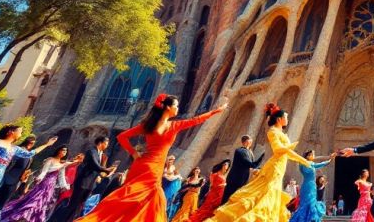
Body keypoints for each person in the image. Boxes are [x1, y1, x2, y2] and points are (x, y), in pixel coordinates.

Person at [75, 94, 227, 222]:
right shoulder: (173, 126)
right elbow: (197, 120)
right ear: (168, 107)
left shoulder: (148, 125)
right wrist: (216, 111)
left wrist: (134, 153)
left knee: (133, 198)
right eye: (176, 105)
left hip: (142, 164)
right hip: (153, 167)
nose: (177, 108)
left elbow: (122, 137)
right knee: (149, 198)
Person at [205, 102, 314, 221]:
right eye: (286, 117)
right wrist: (292, 149)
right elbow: (278, 149)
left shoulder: (282, 133)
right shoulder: (273, 131)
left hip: (281, 167)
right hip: (275, 166)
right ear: (279, 119)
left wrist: (302, 160)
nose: (287, 119)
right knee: (265, 193)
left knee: (272, 195)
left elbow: (287, 154)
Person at [0, 145, 83, 222]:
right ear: (58, 151)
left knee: (44, 203)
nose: (63, 152)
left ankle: (32, 219)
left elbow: (61, 176)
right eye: (62, 150)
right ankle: (23, 216)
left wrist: (65, 186)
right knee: (36, 199)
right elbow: (44, 171)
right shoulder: (50, 159)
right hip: (44, 183)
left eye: (65, 151)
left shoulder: (62, 163)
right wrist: (39, 178)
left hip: (51, 185)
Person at [49, 136, 116, 222]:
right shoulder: (91, 151)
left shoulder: (101, 155)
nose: (107, 145)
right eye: (106, 143)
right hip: (83, 183)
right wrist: (107, 170)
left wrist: (108, 171)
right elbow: (95, 165)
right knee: (72, 205)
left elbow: (99, 170)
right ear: (100, 143)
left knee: (79, 207)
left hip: (90, 185)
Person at [288, 150, 330, 222]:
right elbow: (318, 164)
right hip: (308, 186)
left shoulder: (308, 163)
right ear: (308, 156)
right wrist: (327, 160)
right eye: (312, 155)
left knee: (311, 203)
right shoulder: (306, 163)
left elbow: (319, 163)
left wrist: (328, 159)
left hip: (311, 186)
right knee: (307, 203)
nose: (314, 156)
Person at [222, 135, 265, 204]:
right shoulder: (240, 151)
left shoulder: (249, 152)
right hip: (235, 179)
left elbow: (253, 165)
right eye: (250, 140)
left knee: (234, 201)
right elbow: (251, 164)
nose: (251, 141)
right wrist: (263, 156)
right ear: (247, 141)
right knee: (227, 199)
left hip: (242, 180)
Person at [0, 136, 37, 207]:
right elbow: (10, 162)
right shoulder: (19, 150)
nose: (31, 144)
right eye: (30, 142)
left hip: (17, 181)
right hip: (7, 178)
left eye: (32, 143)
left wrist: (26, 174)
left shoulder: (30, 155)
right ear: (26, 142)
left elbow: (28, 167)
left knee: (4, 200)